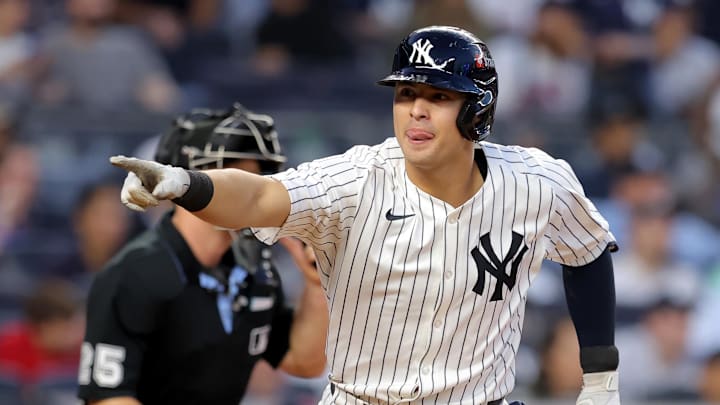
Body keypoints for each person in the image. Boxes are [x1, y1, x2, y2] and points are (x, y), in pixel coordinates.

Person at [111, 26, 621, 405]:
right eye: (406, 94)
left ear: (478, 111)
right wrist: (187, 184)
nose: (416, 110)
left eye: (437, 96)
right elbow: (258, 197)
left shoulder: (538, 182)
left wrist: (600, 376)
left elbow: (589, 251)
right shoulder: (353, 182)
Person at [79, 103, 329, 405]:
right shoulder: (133, 273)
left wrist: (316, 284)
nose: (247, 194)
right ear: (187, 184)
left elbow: (304, 361)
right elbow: (107, 398)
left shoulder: (255, 271)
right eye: (234, 177)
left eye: (255, 180)